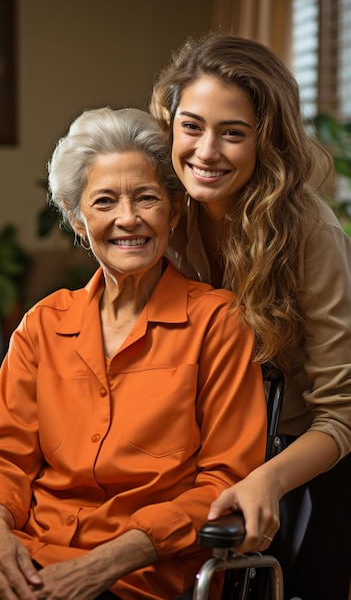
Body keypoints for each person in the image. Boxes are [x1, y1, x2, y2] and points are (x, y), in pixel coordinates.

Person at [0, 106, 267, 600]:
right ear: (79, 222)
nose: (129, 219)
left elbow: (224, 480)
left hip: (143, 575)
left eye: (147, 198)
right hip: (29, 558)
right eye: (104, 202)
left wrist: (107, 562)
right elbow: (8, 460)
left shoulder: (217, 322)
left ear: (173, 210)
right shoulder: (42, 325)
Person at [150, 33, 351, 599]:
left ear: (268, 140)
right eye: (191, 126)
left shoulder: (311, 232)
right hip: (203, 453)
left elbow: (341, 412)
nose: (206, 151)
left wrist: (268, 478)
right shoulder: (161, 206)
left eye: (232, 133)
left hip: (304, 463)